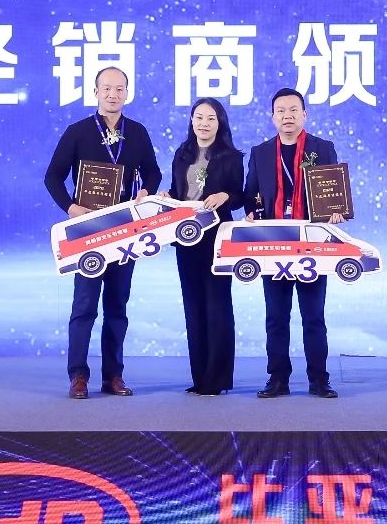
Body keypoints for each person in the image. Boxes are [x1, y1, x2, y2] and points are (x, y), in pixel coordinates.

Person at [43, 67, 161, 399]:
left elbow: (153, 172)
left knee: (117, 305)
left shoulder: (137, 132)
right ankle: (78, 376)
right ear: (96, 92)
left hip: (126, 229)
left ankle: (114, 376)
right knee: (84, 304)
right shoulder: (78, 132)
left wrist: (146, 192)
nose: (113, 94)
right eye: (107, 88)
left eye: (119, 89)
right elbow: (53, 176)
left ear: (127, 93)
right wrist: (70, 207)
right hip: (89, 230)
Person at [243, 87, 344, 399]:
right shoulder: (260, 152)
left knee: (314, 316)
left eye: (293, 110)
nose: (287, 116)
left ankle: (319, 380)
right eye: (281, 111)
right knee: (276, 317)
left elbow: (332, 191)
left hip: (312, 243)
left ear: (304, 114)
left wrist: (335, 211)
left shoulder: (322, 148)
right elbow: (251, 192)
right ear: (272, 117)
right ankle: (277, 380)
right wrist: (251, 212)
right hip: (273, 245)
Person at [166, 98, 244, 396]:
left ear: (220, 122)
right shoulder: (182, 153)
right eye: (199, 117)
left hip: (216, 235)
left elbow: (240, 196)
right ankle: (199, 377)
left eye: (211, 118)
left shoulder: (231, 156)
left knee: (217, 304)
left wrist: (225, 195)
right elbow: (177, 191)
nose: (204, 123)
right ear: (192, 121)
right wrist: (166, 197)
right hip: (186, 237)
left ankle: (217, 378)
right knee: (193, 305)